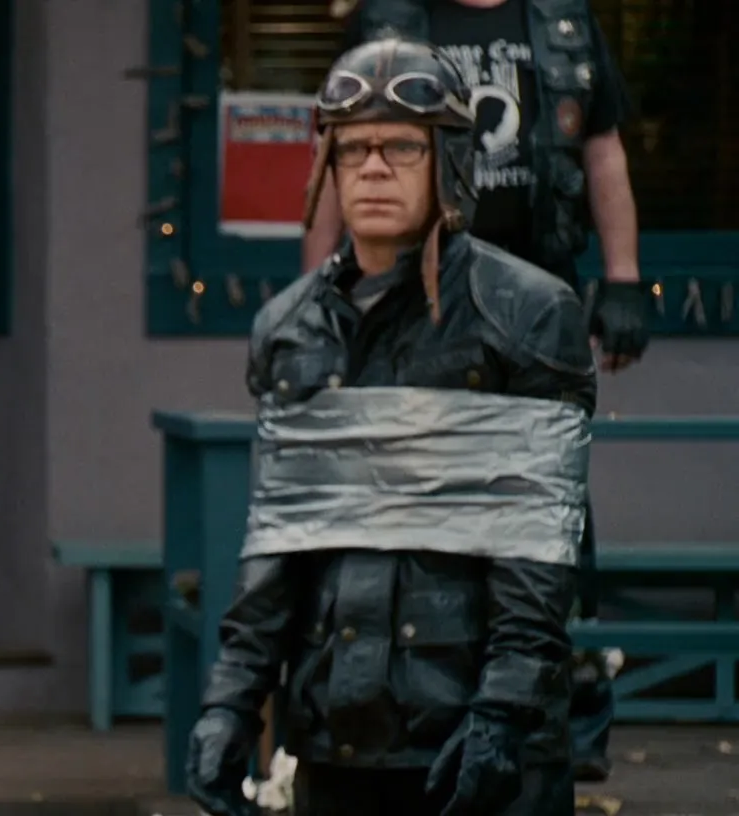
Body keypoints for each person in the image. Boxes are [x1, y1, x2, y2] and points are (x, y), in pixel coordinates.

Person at [187, 39, 594, 816]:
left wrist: (504, 713)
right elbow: (279, 543)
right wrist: (229, 705)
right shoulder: (289, 329)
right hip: (337, 735)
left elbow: (537, 553)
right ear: (328, 168)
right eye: (353, 148)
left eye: (402, 147)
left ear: (448, 159)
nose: (373, 168)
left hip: (476, 738)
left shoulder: (529, 315)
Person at [304, 0, 636, 780]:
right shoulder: (387, 19)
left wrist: (625, 278)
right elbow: (335, 157)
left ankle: (559, 724)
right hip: (410, 302)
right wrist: (317, 295)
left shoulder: (562, 20)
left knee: (548, 519)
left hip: (537, 309)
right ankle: (402, 719)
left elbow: (602, 149)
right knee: (401, 511)